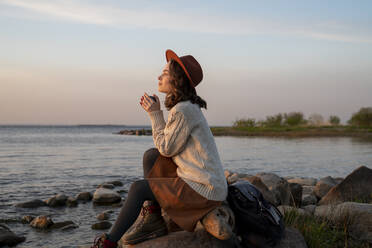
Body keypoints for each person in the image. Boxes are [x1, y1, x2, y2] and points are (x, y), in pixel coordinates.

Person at [91, 49, 228, 248]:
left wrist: (155, 114)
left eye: (164, 73)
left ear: (177, 80)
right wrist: (157, 114)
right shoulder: (185, 107)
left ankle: (109, 243)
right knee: (150, 156)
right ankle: (153, 219)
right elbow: (165, 150)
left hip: (205, 189)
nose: (159, 76)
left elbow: (166, 147)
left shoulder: (183, 110)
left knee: (138, 189)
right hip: (203, 181)